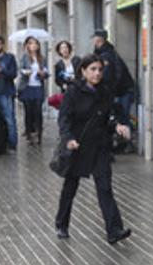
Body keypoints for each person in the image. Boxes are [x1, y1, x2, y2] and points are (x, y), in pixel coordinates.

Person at [54, 54, 132, 244]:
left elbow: (108, 118)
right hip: (78, 145)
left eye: (99, 69)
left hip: (99, 146)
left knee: (105, 187)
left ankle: (114, 230)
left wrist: (117, 126)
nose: (97, 73)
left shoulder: (105, 91)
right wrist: (68, 139)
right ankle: (61, 223)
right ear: (83, 71)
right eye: (93, 69)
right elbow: (64, 119)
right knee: (70, 188)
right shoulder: (73, 92)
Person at [92, 29, 136, 150]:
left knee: (123, 117)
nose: (93, 40)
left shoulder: (107, 54)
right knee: (119, 117)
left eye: (94, 38)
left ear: (99, 39)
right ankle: (122, 143)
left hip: (123, 90)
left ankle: (127, 144)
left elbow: (107, 76)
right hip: (118, 90)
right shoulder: (101, 52)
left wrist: (105, 91)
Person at [18, 36, 48, 145]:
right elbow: (20, 69)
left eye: (35, 43)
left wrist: (43, 73)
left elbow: (46, 71)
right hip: (27, 87)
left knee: (38, 111)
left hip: (38, 87)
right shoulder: (24, 57)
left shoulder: (42, 58)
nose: (33, 45)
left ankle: (39, 133)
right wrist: (26, 72)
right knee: (29, 112)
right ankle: (29, 133)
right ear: (27, 46)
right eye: (31, 43)